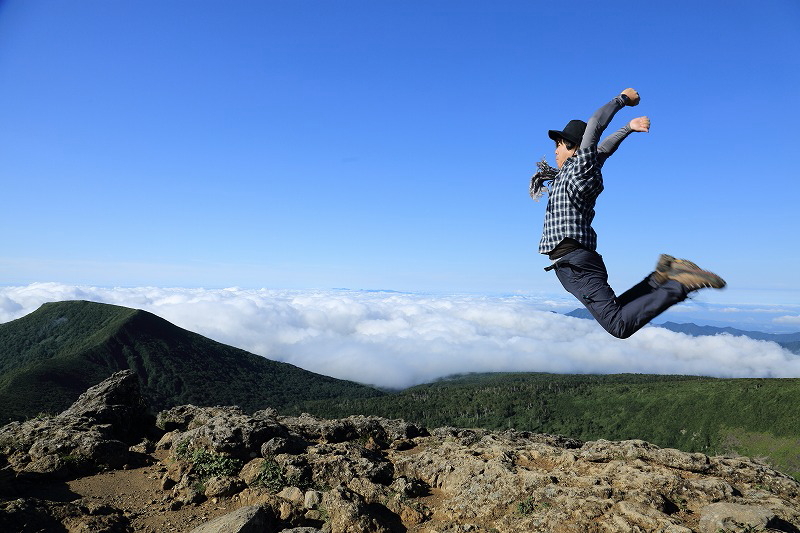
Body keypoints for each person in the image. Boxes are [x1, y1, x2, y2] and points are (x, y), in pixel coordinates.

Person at [530, 88, 725, 339]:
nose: (555, 150)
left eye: (559, 144)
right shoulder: (577, 170)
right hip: (575, 262)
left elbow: (595, 124)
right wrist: (628, 128)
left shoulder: (580, 167)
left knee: (619, 325)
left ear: (574, 147)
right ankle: (661, 277)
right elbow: (605, 149)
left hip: (576, 263)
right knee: (618, 311)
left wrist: (622, 100)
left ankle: (681, 284)